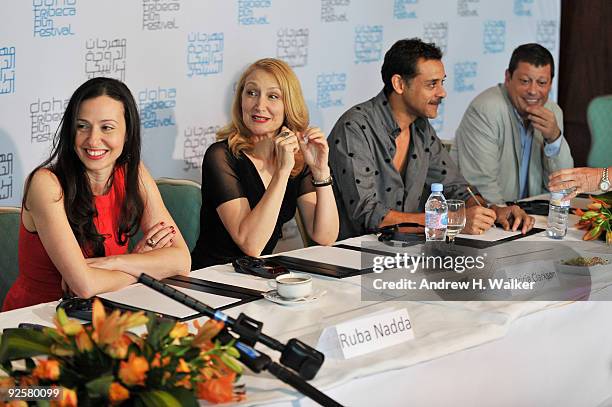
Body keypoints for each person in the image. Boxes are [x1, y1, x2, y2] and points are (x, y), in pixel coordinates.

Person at [3, 77, 191, 311]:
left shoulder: (135, 173)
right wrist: (143, 268)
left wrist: (116, 262)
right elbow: (83, 286)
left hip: (105, 311)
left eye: (107, 128)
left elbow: (181, 261)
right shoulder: (45, 184)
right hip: (39, 319)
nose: (93, 139)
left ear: (127, 132)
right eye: (82, 126)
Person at [328, 38, 534, 240]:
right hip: (353, 254)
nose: (442, 92)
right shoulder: (354, 127)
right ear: (399, 84)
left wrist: (492, 211)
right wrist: (449, 221)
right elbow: (368, 215)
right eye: (431, 84)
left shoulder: (421, 127)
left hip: (406, 251)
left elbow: (457, 189)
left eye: (442, 82)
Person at [190, 58, 338, 269]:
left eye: (273, 96)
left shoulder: (297, 159)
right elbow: (251, 244)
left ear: (289, 105)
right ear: (240, 99)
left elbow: (326, 236)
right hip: (212, 276)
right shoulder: (221, 156)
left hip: (257, 277)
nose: (260, 105)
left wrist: (321, 171)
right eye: (251, 93)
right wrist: (281, 172)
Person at [452, 43, 574, 204]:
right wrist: (505, 215)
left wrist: (554, 138)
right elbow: (481, 185)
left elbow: (564, 187)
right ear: (508, 78)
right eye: (525, 81)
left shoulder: (553, 112)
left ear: (550, 83)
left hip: (532, 217)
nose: (533, 90)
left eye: (542, 83)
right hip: (491, 216)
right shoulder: (486, 109)